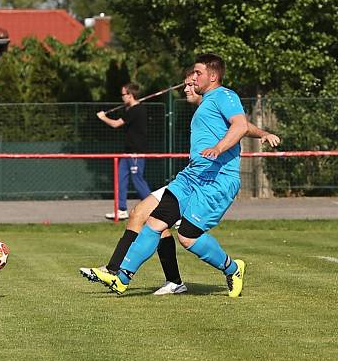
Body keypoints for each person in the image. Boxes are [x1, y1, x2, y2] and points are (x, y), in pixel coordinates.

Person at [81, 69, 280, 295]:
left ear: (210, 77)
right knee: (151, 220)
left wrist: (228, 144)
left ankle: (231, 268)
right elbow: (241, 125)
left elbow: (241, 125)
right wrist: (260, 132)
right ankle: (122, 276)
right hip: (189, 178)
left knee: (186, 236)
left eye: (192, 81)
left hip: (213, 181)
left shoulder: (223, 96)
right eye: (187, 82)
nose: (187, 87)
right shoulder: (205, 107)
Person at [97, 83, 152, 220]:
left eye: (123, 94)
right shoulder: (130, 109)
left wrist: (103, 117)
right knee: (120, 179)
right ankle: (121, 209)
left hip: (136, 152)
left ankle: (155, 208)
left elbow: (116, 124)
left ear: (130, 95)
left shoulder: (137, 110)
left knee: (137, 180)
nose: (122, 97)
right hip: (127, 152)